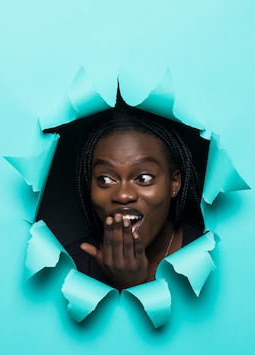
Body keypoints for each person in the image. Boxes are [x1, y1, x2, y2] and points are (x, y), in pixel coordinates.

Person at [66, 98, 205, 290]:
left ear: (174, 183)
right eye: (105, 179)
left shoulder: (209, 256)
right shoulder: (67, 272)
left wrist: (135, 286)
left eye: (144, 178)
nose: (123, 196)